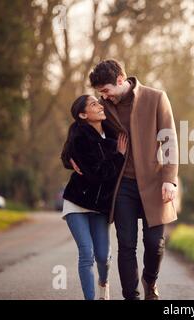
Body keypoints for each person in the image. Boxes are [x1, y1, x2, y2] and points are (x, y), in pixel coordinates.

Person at [69, 59, 179, 300]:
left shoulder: (156, 98)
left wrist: (169, 179)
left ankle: (150, 281)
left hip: (154, 182)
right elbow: (79, 131)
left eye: (106, 90)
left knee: (155, 243)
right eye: (100, 94)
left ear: (120, 80)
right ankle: (132, 296)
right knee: (126, 245)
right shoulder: (104, 107)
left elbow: (169, 140)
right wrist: (69, 159)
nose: (104, 97)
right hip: (121, 185)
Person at [60, 94, 128, 300]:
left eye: (98, 102)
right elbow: (97, 174)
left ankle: (103, 282)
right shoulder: (80, 136)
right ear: (83, 115)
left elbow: (66, 156)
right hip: (77, 202)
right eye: (93, 104)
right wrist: (118, 155)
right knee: (86, 254)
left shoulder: (112, 132)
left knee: (102, 256)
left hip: (100, 206)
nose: (99, 105)